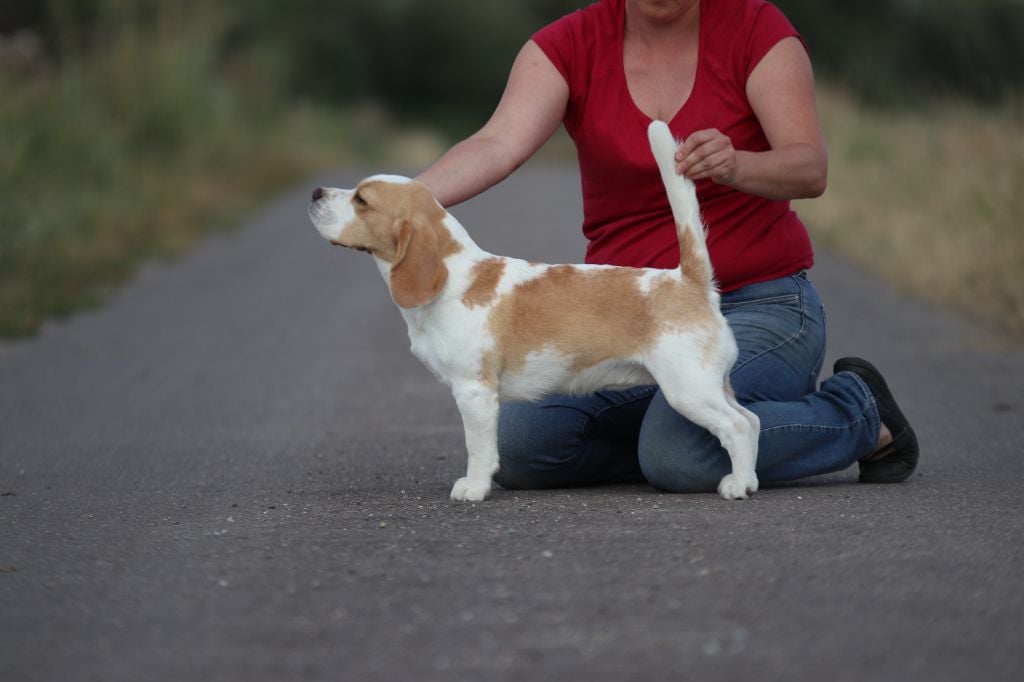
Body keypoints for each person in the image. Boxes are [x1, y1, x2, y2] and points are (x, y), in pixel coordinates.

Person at [415, 0, 919, 493]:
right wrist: (402, 204)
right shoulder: (568, 44)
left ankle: (859, 414)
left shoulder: (758, 29)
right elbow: (496, 145)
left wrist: (737, 164)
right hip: (618, 315)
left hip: (761, 303)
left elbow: (810, 168)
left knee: (682, 455)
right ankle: (665, 440)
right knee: (522, 449)